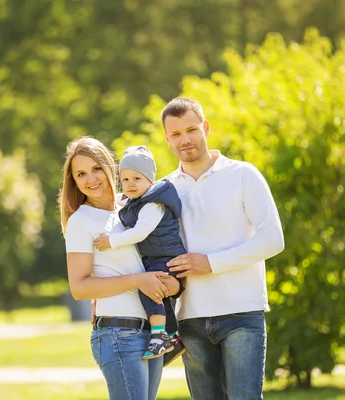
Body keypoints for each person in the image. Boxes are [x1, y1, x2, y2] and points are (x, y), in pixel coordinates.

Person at [160, 97, 285, 400]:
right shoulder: (163, 189)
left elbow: (272, 239)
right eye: (175, 134)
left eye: (191, 129)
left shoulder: (243, 174)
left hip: (242, 314)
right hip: (190, 318)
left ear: (205, 127)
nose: (185, 139)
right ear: (166, 138)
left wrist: (211, 263)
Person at [58, 136, 178, 400]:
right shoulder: (81, 220)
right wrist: (137, 280)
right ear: (74, 181)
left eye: (96, 168)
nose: (91, 179)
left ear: (110, 167)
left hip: (153, 332)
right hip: (118, 334)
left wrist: (171, 283)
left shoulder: (135, 207)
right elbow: (79, 287)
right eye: (81, 174)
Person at [93, 145, 187, 361]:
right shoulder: (136, 202)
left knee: (149, 288)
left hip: (166, 257)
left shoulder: (153, 203)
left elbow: (139, 233)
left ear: (149, 181)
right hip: (157, 256)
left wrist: (110, 242)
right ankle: (173, 337)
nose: (130, 184)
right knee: (158, 296)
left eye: (136, 178)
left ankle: (159, 336)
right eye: (125, 180)